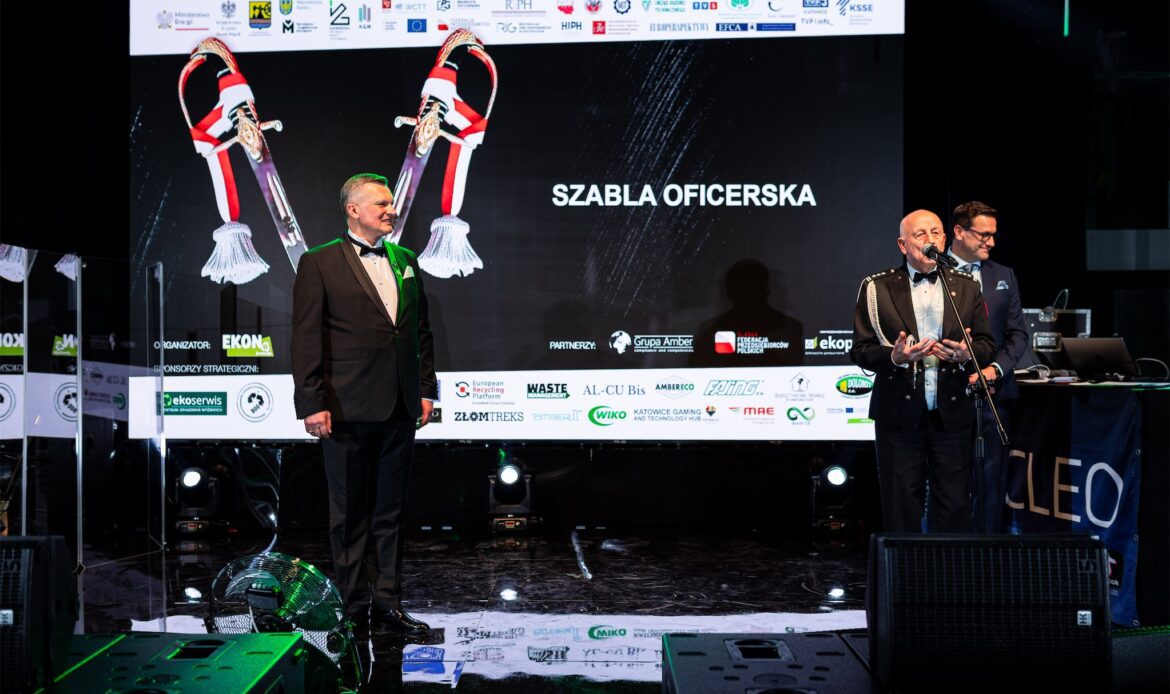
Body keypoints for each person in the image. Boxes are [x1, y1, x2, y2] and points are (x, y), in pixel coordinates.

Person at [292, 173, 437, 635]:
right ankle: (353, 609)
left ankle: (389, 604)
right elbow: (306, 338)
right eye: (381, 203)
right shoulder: (318, 262)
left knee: (390, 513)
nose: (391, 210)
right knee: (350, 514)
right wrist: (311, 402)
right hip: (345, 408)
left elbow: (419, 332)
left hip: (400, 406)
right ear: (353, 210)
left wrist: (426, 389)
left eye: (391, 203)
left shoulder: (406, 259)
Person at [850, 209, 995, 533]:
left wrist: (966, 354)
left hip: (952, 413)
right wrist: (895, 357)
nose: (930, 240)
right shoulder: (877, 287)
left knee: (955, 505)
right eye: (920, 235)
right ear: (903, 245)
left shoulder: (966, 286)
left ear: (944, 239)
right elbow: (860, 350)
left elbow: (986, 344)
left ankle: (949, 567)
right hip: (899, 415)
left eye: (936, 233)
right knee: (901, 505)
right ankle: (904, 567)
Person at [948, 201, 1029, 533]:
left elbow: (1018, 335)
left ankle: (989, 554)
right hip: (947, 396)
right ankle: (944, 555)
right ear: (959, 231)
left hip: (994, 397)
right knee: (948, 485)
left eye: (993, 235)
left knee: (992, 486)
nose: (991, 242)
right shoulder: (933, 273)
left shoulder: (1003, 275)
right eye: (984, 235)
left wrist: (995, 369)